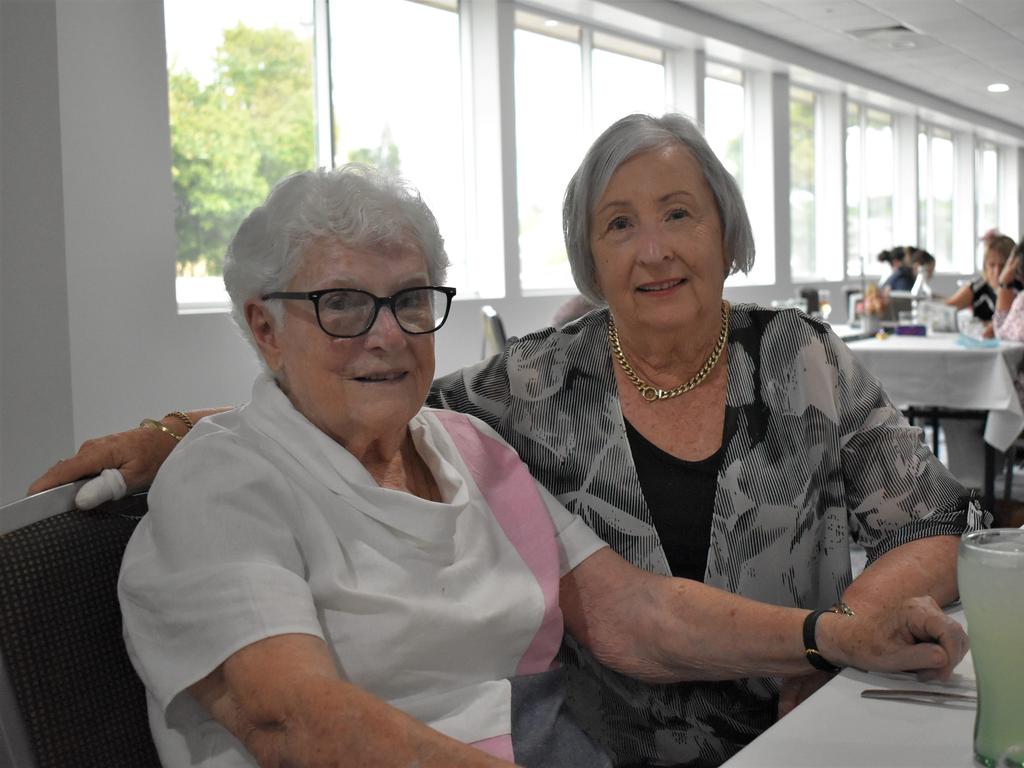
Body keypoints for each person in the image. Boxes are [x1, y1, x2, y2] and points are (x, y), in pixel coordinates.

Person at [31, 114, 982, 768]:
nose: (385, 334)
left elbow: (634, 615)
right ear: (264, 327)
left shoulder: (464, 447)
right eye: (341, 304)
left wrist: (832, 638)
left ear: (726, 232)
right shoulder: (512, 393)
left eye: (410, 300)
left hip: (725, 730)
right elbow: (293, 719)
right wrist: (178, 435)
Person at [947, 231, 1016, 337]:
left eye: (1003, 266)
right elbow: (946, 309)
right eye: (992, 265)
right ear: (985, 266)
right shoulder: (977, 287)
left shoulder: (1019, 291)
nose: (997, 272)